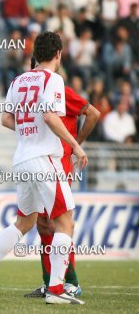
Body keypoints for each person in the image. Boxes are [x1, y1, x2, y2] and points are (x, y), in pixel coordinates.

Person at [0, 31, 88, 305]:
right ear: (58, 54)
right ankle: (56, 289)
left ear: (36, 54)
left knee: (24, 222)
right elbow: (49, 116)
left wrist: (28, 130)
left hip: (22, 158)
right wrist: (75, 145)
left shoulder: (18, 80)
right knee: (65, 220)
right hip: (45, 158)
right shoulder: (53, 79)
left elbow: (6, 119)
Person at [24, 59, 100, 299]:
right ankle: (50, 283)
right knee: (44, 224)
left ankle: (71, 282)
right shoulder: (34, 94)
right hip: (41, 161)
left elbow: (93, 114)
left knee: (59, 222)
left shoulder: (61, 91)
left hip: (56, 163)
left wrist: (75, 145)